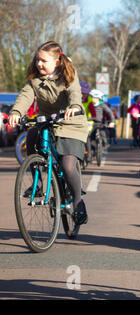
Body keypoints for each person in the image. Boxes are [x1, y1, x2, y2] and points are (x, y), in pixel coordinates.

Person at [8, 41, 89, 225]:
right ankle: (37, 185)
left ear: (57, 62)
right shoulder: (35, 79)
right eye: (37, 60)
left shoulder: (68, 74)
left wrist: (75, 106)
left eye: (43, 61)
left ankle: (78, 201)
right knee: (32, 135)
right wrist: (16, 112)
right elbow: (25, 96)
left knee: (68, 165)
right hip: (48, 121)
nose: (39, 64)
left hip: (71, 122)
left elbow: (75, 93)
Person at [85, 89, 115, 161]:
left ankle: (104, 143)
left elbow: (110, 113)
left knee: (102, 133)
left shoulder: (102, 105)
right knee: (89, 138)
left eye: (92, 97)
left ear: (98, 98)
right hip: (91, 124)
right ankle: (90, 154)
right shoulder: (90, 105)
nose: (91, 99)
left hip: (100, 124)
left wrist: (112, 121)